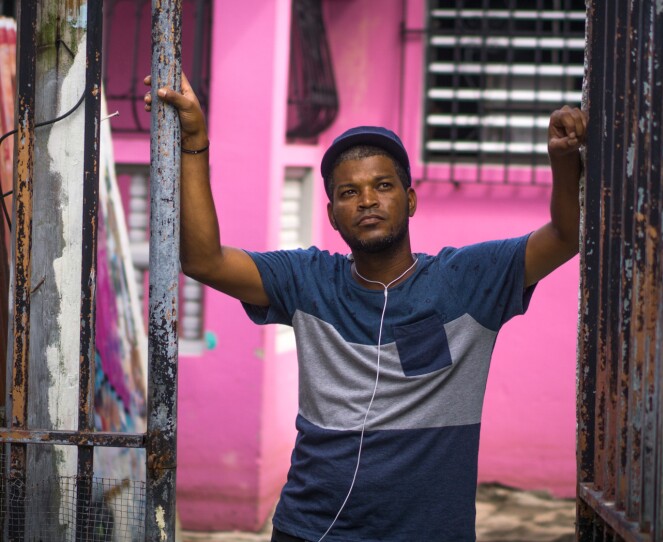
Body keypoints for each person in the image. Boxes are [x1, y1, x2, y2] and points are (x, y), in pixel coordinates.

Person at [145, 74, 584, 542]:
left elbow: (564, 236)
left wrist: (563, 162)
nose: (368, 200)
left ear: (410, 200)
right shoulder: (307, 280)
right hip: (310, 530)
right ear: (332, 213)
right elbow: (203, 259)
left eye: (383, 185)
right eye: (349, 192)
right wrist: (194, 141)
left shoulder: (469, 280)